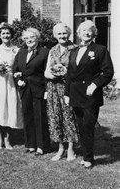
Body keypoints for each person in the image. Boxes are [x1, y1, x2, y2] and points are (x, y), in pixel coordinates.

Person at [64, 20, 114, 169]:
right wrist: (67, 93)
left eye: (89, 30)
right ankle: (86, 155)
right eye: (83, 30)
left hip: (90, 95)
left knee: (88, 126)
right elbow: (69, 75)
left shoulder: (100, 50)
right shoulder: (73, 51)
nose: (86, 33)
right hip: (75, 94)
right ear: (78, 34)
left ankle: (88, 158)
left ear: (94, 33)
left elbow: (108, 72)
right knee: (80, 127)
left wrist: (95, 84)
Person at [0, 23, 23, 150]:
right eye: (3, 33)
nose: (6, 35)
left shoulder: (16, 50)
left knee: (8, 109)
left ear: (11, 35)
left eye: (8, 33)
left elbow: (18, 67)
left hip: (9, 82)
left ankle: (7, 140)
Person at [44, 23, 79, 161]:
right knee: (55, 116)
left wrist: (66, 73)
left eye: (64, 33)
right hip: (53, 87)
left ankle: (71, 148)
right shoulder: (52, 50)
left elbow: (78, 70)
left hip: (67, 88)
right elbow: (47, 69)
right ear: (55, 36)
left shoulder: (75, 49)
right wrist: (50, 74)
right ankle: (60, 148)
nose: (62, 36)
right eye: (59, 34)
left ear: (69, 34)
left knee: (69, 117)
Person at [13, 28, 50, 156]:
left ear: (37, 38)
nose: (29, 40)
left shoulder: (44, 52)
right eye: (26, 38)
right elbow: (15, 69)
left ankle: (42, 146)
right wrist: (18, 80)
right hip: (25, 88)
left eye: (32, 37)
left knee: (39, 116)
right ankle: (30, 145)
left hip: (39, 88)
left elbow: (47, 72)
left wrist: (47, 90)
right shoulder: (21, 52)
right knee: (27, 115)